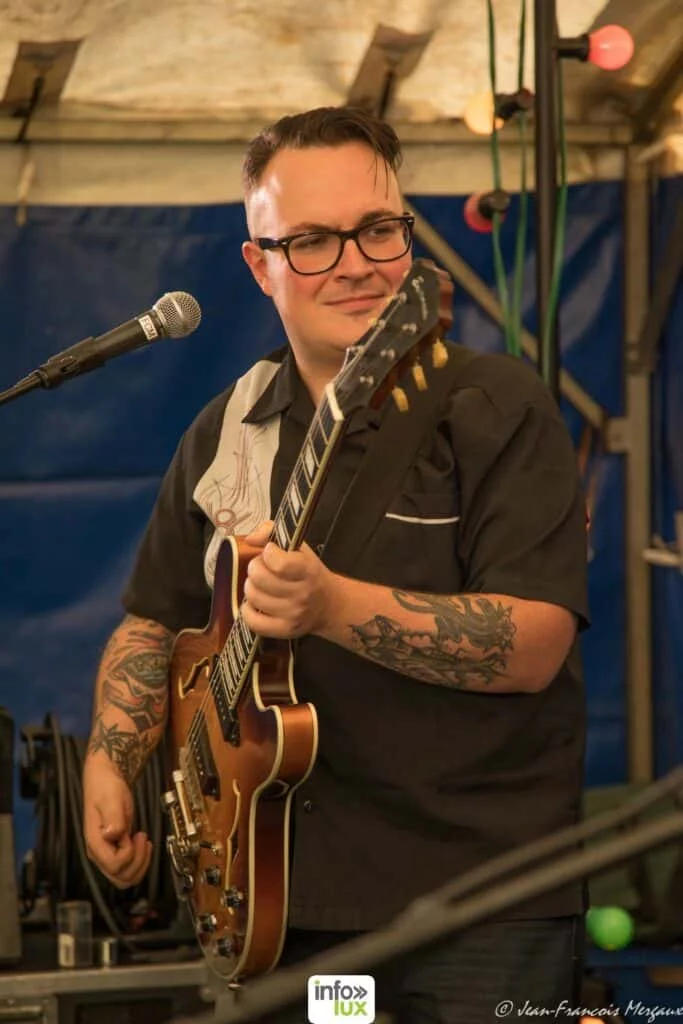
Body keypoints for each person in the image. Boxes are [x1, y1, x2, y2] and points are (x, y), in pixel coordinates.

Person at [82, 106, 589, 1022]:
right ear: (259, 264)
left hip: (482, 903)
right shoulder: (226, 427)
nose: (355, 263)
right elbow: (156, 619)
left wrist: (330, 606)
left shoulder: (494, 405)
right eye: (312, 241)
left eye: (378, 229)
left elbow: (534, 644)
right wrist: (110, 759)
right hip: (285, 905)